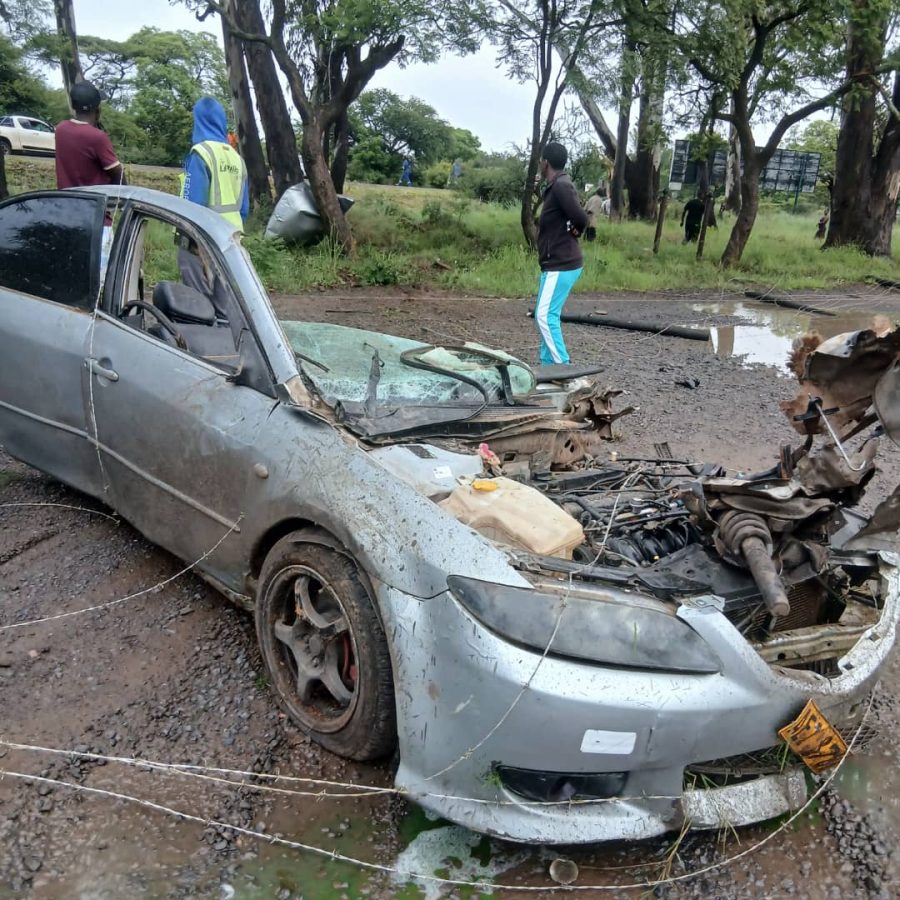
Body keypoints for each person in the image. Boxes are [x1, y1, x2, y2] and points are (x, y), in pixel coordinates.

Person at [55, 80, 126, 280]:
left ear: (74, 106)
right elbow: (117, 172)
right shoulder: (97, 137)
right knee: (97, 279)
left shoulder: (60, 130)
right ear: (97, 108)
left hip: (67, 215)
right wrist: (121, 197)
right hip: (96, 219)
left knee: (74, 275)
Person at [534, 141, 588, 366]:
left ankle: (562, 369)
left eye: (540, 160)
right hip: (554, 264)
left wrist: (576, 229)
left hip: (562, 263)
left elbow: (581, 218)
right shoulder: (556, 185)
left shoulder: (561, 186)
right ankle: (548, 369)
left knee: (545, 317)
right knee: (545, 315)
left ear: (545, 162)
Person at [181, 97, 249, 232]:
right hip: (234, 238)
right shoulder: (237, 158)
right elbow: (244, 209)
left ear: (198, 122)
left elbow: (193, 207)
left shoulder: (202, 153)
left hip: (206, 239)